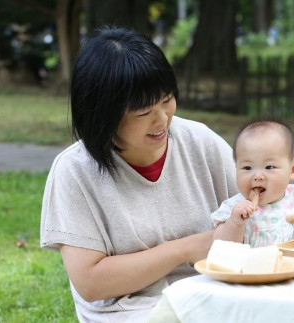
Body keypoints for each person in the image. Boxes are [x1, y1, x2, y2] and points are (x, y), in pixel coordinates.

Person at [39, 26, 238, 322]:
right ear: (103, 115)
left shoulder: (201, 142)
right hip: (132, 310)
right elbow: (91, 283)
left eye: (167, 99)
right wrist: (184, 249)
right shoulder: (74, 171)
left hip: (215, 293)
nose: (162, 119)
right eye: (144, 112)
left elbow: (260, 216)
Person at [211, 119, 294, 247]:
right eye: (247, 168)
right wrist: (235, 223)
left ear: (292, 171)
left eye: (269, 167)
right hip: (251, 267)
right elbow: (220, 244)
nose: (257, 176)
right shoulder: (235, 208)